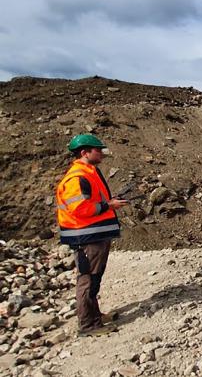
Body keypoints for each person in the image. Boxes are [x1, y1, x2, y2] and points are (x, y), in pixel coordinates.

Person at [55, 134, 129, 336]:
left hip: (94, 235)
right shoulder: (77, 177)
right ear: (84, 152)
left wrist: (110, 201)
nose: (101, 153)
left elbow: (92, 201)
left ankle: (94, 316)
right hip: (86, 237)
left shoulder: (89, 172)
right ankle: (88, 325)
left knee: (94, 278)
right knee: (88, 279)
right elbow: (79, 208)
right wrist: (108, 205)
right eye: (98, 150)